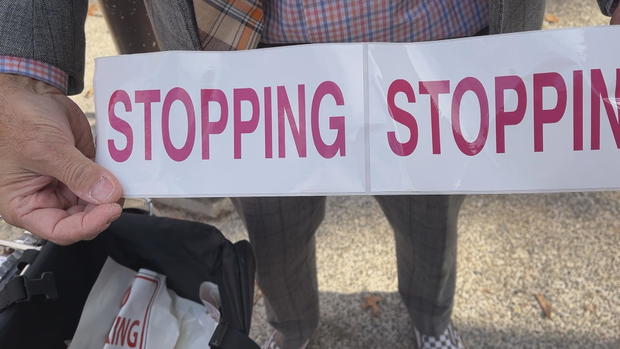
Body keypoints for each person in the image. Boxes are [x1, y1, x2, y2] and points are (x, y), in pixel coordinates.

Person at [0, 1, 617, 348]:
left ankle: (431, 320)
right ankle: (294, 330)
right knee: (276, 236)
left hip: (452, 60)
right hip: (256, 63)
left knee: (432, 219)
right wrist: (20, 72)